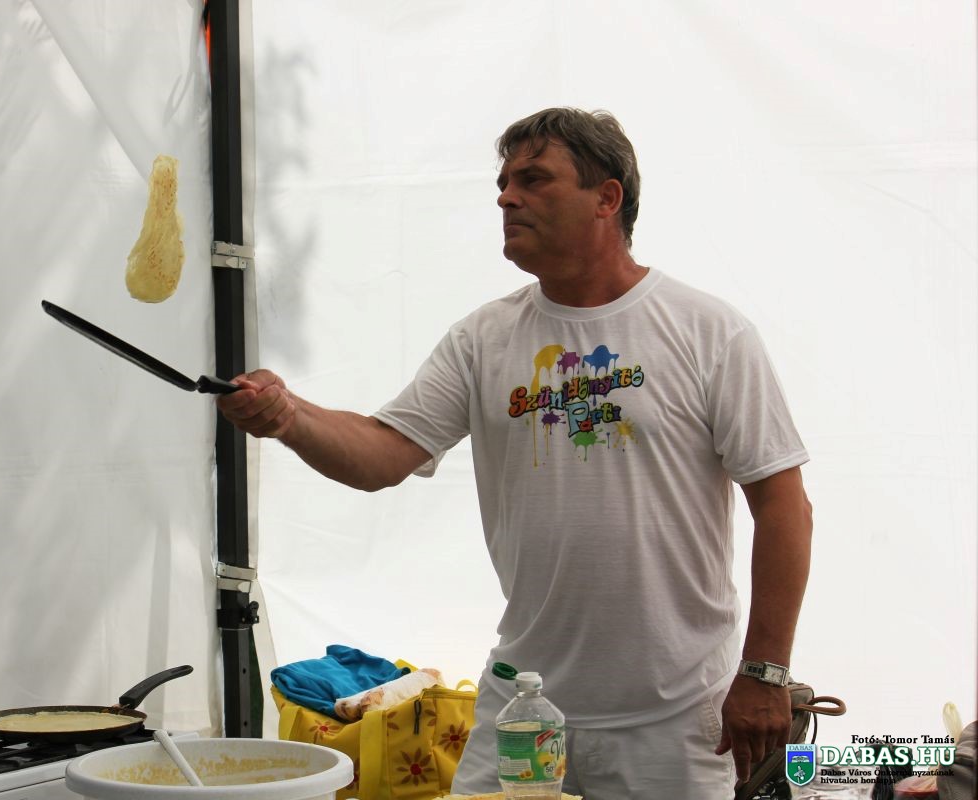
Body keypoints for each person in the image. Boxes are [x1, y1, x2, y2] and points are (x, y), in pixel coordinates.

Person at [216, 107, 813, 799]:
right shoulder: (484, 338)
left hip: (672, 720)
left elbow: (784, 508)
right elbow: (383, 453)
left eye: (533, 179)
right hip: (524, 706)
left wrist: (764, 671)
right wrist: (288, 416)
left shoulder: (707, 331)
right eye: (502, 183)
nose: (506, 198)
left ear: (607, 197)